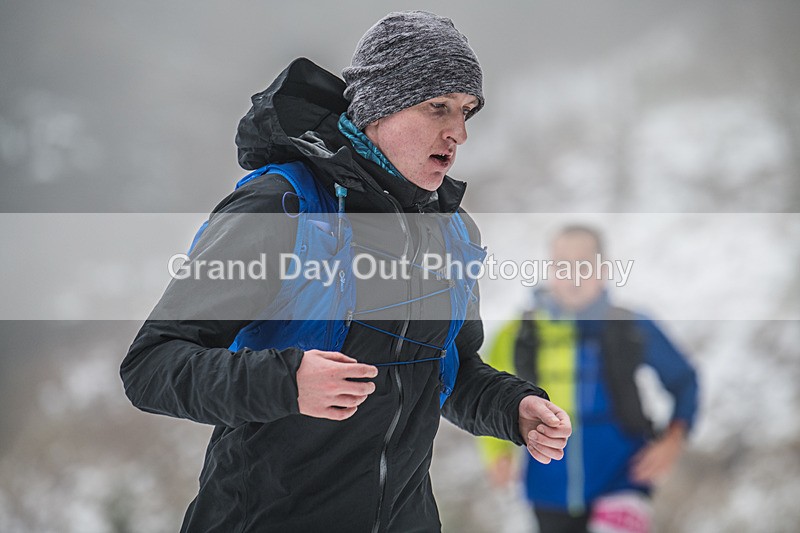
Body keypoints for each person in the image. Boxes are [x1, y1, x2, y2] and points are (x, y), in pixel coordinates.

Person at [120, 11, 571, 533]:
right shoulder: (283, 207)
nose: (459, 132)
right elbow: (151, 366)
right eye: (438, 107)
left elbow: (449, 372)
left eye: (466, 111)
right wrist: (287, 382)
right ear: (380, 106)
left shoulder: (449, 232)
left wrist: (512, 408)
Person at [479, 225, 698, 533]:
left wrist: (672, 440)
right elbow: (486, 390)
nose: (573, 275)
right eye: (562, 265)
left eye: (583, 264)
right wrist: (496, 453)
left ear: (603, 270)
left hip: (622, 479)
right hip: (547, 487)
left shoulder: (630, 326)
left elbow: (684, 380)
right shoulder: (518, 333)